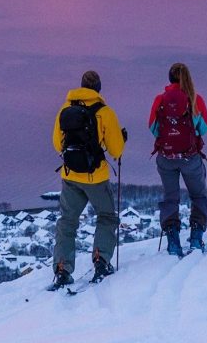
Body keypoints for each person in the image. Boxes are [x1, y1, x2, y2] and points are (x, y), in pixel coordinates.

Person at [51, 70, 126, 288]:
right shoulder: (105, 112)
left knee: (67, 222)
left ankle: (62, 268)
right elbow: (116, 149)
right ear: (99, 88)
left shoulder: (65, 110)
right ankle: (101, 260)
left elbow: (58, 144)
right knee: (106, 216)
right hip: (96, 178)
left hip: (70, 176)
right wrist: (121, 138)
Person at [149, 62, 207, 256]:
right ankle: (196, 237)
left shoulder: (160, 100)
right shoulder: (195, 99)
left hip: (166, 158)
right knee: (199, 196)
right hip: (190, 157)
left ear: (169, 78)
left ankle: (173, 241)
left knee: (170, 198)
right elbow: (204, 129)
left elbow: (153, 128)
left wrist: (171, 139)